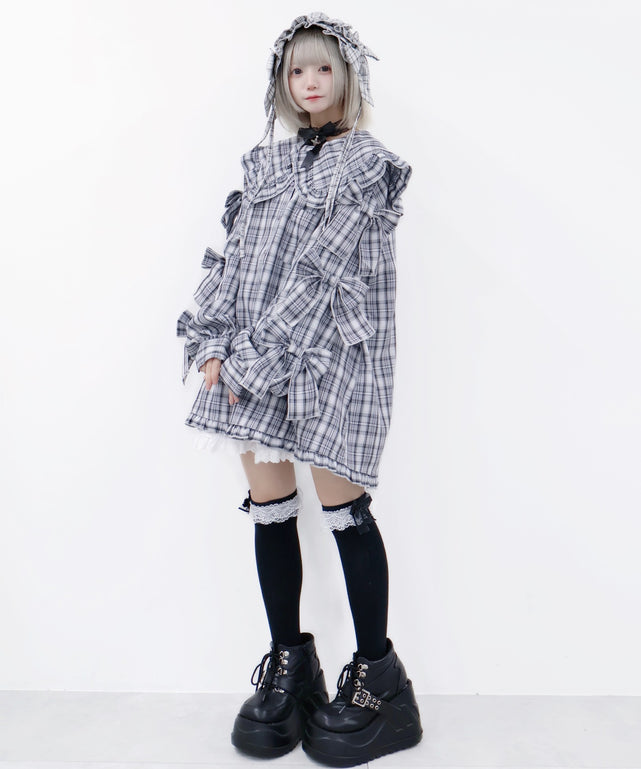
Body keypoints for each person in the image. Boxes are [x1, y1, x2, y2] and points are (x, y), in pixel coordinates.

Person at [176, 12, 421, 766]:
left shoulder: (366, 165)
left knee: (344, 508)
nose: (309, 82)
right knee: (270, 506)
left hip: (327, 360)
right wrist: (212, 340)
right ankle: (292, 662)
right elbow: (235, 259)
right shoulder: (268, 163)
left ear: (347, 75)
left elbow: (321, 279)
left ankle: (381, 680)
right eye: (295, 71)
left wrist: (246, 361)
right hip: (252, 358)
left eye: (322, 68)